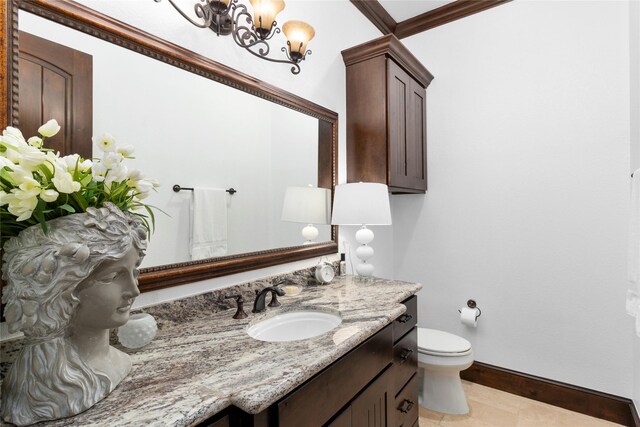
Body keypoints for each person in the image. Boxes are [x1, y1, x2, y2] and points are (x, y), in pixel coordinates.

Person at [1, 203, 147, 426]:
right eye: (111, 277)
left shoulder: (119, 360)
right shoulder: (44, 389)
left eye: (134, 271)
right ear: (59, 292)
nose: (134, 290)